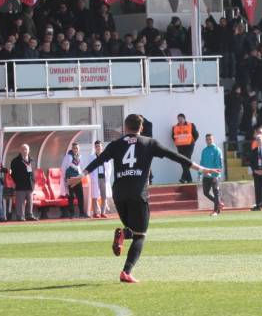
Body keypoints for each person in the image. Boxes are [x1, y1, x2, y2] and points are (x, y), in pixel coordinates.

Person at [67, 114, 219, 283]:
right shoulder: (149, 143)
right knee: (140, 235)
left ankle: (124, 234)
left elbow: (99, 160)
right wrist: (200, 168)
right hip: (137, 193)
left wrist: (81, 175)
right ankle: (126, 271)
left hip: (119, 193)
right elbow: (174, 156)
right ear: (141, 128)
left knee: (133, 228)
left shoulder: (116, 145)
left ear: (125, 128)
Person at [10, 144, 37, 220]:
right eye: (23, 149)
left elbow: (33, 173)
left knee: (30, 202)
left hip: (30, 185)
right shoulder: (15, 161)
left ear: (29, 151)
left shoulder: (32, 160)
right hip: (20, 185)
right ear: (20, 150)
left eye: (26, 149)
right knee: (20, 202)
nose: (24, 151)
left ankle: (29, 215)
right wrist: (17, 181)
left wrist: (33, 182)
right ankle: (20, 216)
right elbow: (13, 174)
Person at [87, 140, 113, 219]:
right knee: (95, 196)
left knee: (104, 196)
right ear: (95, 147)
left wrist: (107, 177)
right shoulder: (91, 157)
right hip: (95, 178)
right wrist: (92, 177)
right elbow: (89, 168)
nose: (98, 148)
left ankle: (103, 212)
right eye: (96, 146)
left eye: (99, 146)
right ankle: (96, 212)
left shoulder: (106, 156)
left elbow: (109, 167)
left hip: (104, 178)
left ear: (102, 147)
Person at [199, 133, 223, 216]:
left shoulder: (217, 150)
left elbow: (219, 164)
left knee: (216, 192)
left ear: (213, 139)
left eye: (210, 139)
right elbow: (201, 163)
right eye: (207, 139)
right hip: (206, 175)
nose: (209, 141)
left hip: (214, 175)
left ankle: (216, 211)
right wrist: (199, 173)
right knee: (205, 192)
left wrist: (216, 174)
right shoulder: (204, 151)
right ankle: (219, 203)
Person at [172, 113, 199, 183]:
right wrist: (177, 143)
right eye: (178, 119)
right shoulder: (174, 127)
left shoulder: (191, 125)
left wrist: (192, 142)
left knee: (186, 161)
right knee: (182, 162)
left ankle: (183, 178)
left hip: (189, 146)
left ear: (184, 119)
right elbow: (173, 136)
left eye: (181, 119)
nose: (180, 120)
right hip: (180, 147)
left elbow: (196, 135)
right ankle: (189, 179)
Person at [61, 142, 86, 218]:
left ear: (79, 149)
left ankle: (81, 212)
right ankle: (72, 213)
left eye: (77, 148)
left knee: (80, 196)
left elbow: (81, 168)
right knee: (71, 196)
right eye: (74, 148)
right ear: (72, 149)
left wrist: (81, 176)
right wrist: (65, 178)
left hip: (78, 178)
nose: (76, 149)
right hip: (70, 178)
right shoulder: (68, 156)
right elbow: (63, 168)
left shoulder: (80, 157)